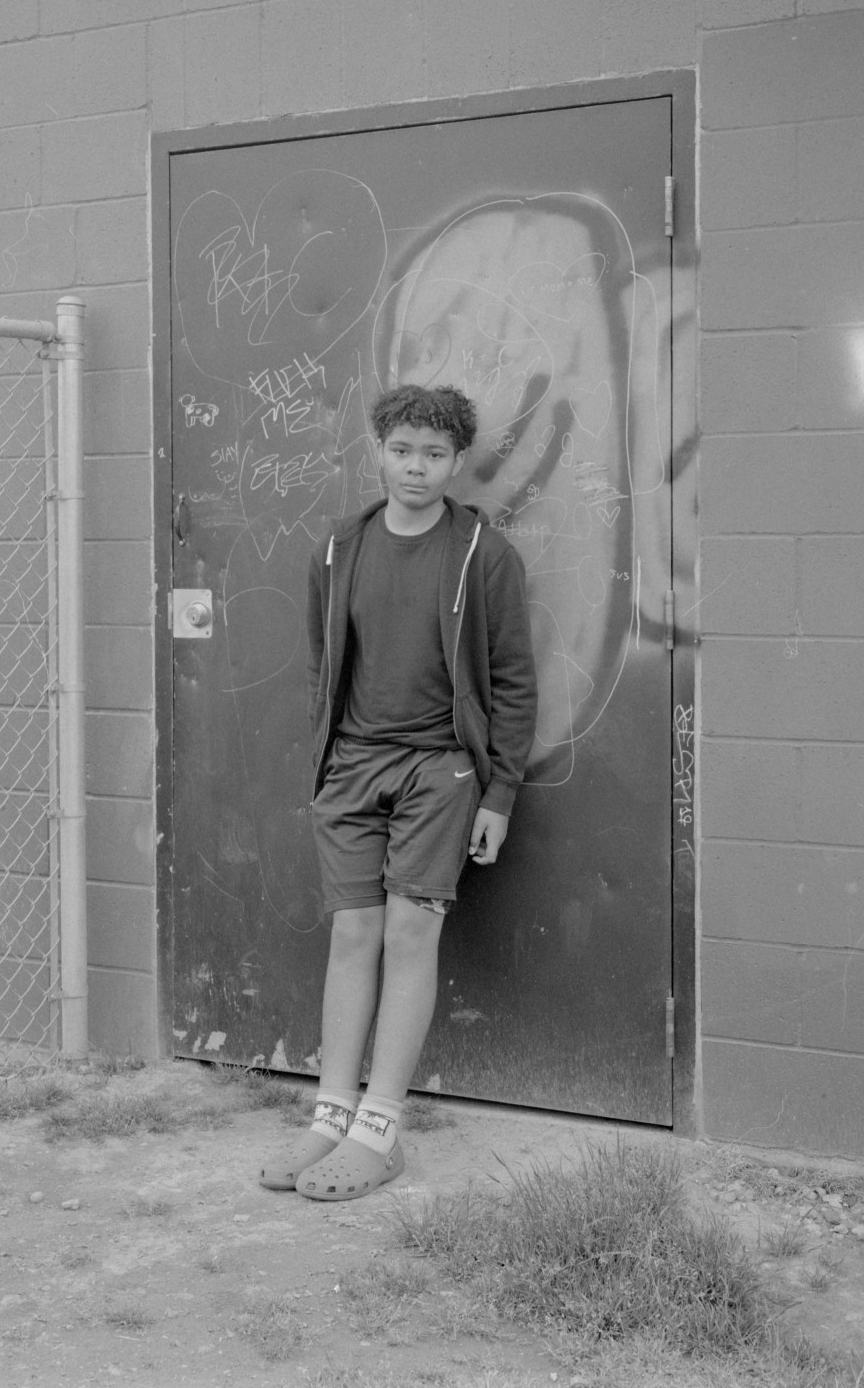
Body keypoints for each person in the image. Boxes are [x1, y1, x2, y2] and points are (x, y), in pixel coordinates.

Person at [260, 383, 537, 1201]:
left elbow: (514, 682)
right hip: (352, 765)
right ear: (378, 450)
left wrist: (499, 795)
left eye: (436, 454)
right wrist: (328, 765)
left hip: (440, 770)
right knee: (353, 936)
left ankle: (380, 1127)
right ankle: (330, 1114)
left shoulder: (483, 553)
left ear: (457, 463)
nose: (417, 467)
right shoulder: (339, 549)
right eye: (404, 450)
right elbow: (323, 666)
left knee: (411, 938)